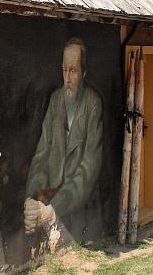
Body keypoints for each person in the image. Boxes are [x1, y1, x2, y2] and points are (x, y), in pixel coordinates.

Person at [24, 38, 103, 240]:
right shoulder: (56, 99)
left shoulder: (92, 104)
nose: (67, 77)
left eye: (73, 71)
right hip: (48, 197)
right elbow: (42, 154)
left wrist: (52, 209)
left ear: (84, 73)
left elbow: (89, 167)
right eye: (64, 70)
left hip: (77, 205)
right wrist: (32, 199)